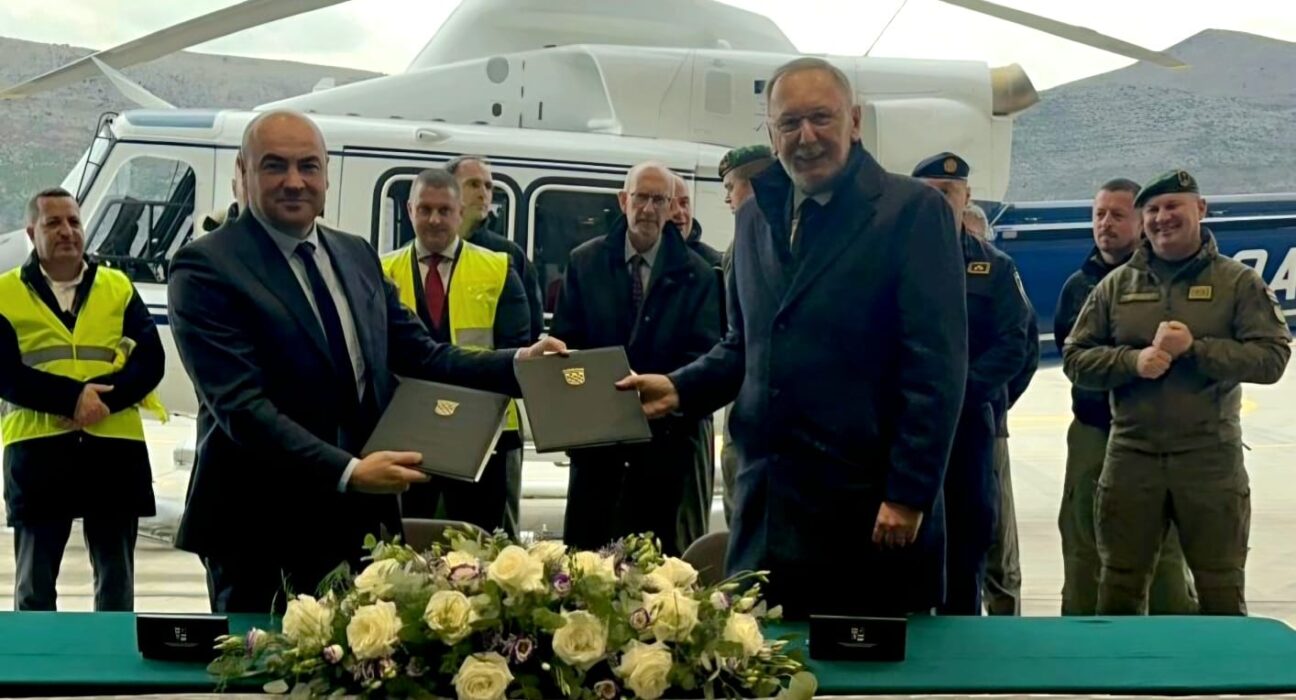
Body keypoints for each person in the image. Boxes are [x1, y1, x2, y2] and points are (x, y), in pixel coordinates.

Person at [167, 110, 565, 613]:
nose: (294, 181)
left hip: (360, 524)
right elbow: (242, 408)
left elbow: (422, 354)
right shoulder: (205, 267)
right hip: (260, 531)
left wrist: (520, 363)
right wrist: (349, 471)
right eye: (275, 166)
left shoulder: (354, 254)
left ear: (326, 175)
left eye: (308, 166)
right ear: (244, 172)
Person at [617, 58, 968, 617]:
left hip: (867, 516)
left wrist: (907, 494)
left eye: (821, 118)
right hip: (768, 516)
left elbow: (936, 367)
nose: (806, 137)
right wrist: (679, 387)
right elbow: (745, 345)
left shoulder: (911, 213)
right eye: (789, 123)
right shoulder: (754, 218)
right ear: (771, 131)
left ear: (854, 121)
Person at [1063, 169, 1291, 615]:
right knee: (1119, 588)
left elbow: (1272, 359)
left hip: (1210, 459)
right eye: (1152, 210)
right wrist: (1132, 362)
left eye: (1173, 207)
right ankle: (1128, 665)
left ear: (1200, 209)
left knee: (1220, 587)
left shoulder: (1238, 283)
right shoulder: (1116, 285)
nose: (1162, 218)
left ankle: (1220, 665)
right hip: (1131, 457)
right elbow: (1075, 358)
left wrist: (1196, 350)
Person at [0, 187, 165, 611]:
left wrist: (101, 403)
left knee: (116, 588)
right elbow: (5, 374)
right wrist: (72, 399)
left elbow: (151, 361)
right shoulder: (5, 293)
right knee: (34, 591)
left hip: (113, 452)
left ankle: (112, 657)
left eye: (73, 221)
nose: (67, 231)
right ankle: (38, 657)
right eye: (53, 222)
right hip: (38, 453)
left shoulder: (118, 286)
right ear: (31, 232)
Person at [551, 161, 721, 556]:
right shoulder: (584, 262)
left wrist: (668, 396)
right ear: (622, 200)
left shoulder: (699, 275)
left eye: (659, 200)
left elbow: (706, 357)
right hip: (597, 448)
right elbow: (565, 346)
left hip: (666, 449)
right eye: (641, 197)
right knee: (587, 567)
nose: (648, 209)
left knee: (657, 571)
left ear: (672, 207)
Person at [1054, 177, 1198, 615]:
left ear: (1140, 222)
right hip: (1095, 431)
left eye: (1118, 215)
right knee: (1082, 539)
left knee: (1164, 547)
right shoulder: (1078, 287)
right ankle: (1082, 635)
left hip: (1156, 433)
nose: (1106, 224)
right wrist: (1132, 363)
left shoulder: (1167, 283)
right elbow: (1073, 358)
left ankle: (1172, 637)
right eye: (1099, 214)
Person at [379, 169, 530, 537]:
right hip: (408, 434)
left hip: (484, 435)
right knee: (407, 543)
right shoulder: (380, 271)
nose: (434, 219)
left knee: (481, 543)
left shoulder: (498, 268)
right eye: (425, 209)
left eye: (444, 210)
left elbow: (515, 348)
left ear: (460, 212)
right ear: (409, 210)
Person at [913, 152, 1032, 615]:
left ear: (966, 197)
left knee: (967, 541)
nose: (940, 202)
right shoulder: (889, 261)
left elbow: (1014, 345)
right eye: (929, 194)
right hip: (907, 430)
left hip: (967, 429)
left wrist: (962, 393)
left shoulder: (994, 268)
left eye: (949, 193)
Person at [447, 156, 545, 538]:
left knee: (493, 538)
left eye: (488, 186)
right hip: (431, 419)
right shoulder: (410, 258)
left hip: (496, 423)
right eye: (474, 184)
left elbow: (527, 339)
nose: (484, 193)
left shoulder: (507, 258)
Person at [715, 144, 773, 525]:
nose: (727, 199)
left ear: (752, 185)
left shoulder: (743, 244)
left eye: (731, 187)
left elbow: (738, 335)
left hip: (751, 403)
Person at [669, 172, 724, 269]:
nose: (679, 212)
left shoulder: (714, 265)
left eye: (684, 203)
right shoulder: (641, 261)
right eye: (669, 203)